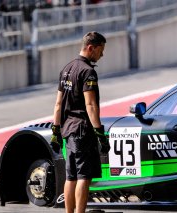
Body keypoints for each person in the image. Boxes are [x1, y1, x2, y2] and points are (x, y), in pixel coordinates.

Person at [50, 31, 110, 213]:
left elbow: (58, 104)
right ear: (91, 48)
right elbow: (90, 105)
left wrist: (56, 131)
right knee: (84, 176)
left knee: (71, 176)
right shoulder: (88, 72)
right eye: (101, 50)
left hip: (68, 131)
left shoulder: (67, 69)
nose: (102, 54)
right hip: (83, 131)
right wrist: (100, 133)